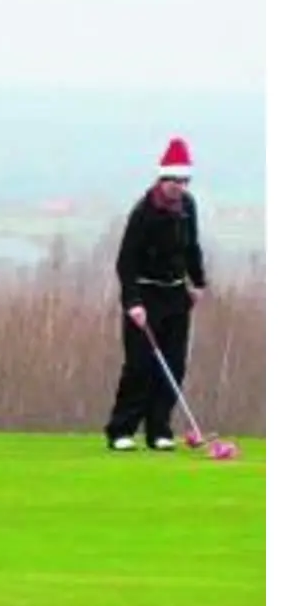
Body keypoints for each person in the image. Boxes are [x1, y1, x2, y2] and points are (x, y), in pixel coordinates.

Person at [104, 137, 209, 452]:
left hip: (177, 295)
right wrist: (133, 303)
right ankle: (121, 430)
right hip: (145, 296)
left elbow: (191, 247)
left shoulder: (188, 206)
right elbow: (126, 261)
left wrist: (198, 282)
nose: (179, 186)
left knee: (174, 364)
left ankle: (159, 430)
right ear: (161, 179)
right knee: (140, 365)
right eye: (174, 180)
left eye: (184, 180)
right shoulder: (144, 212)